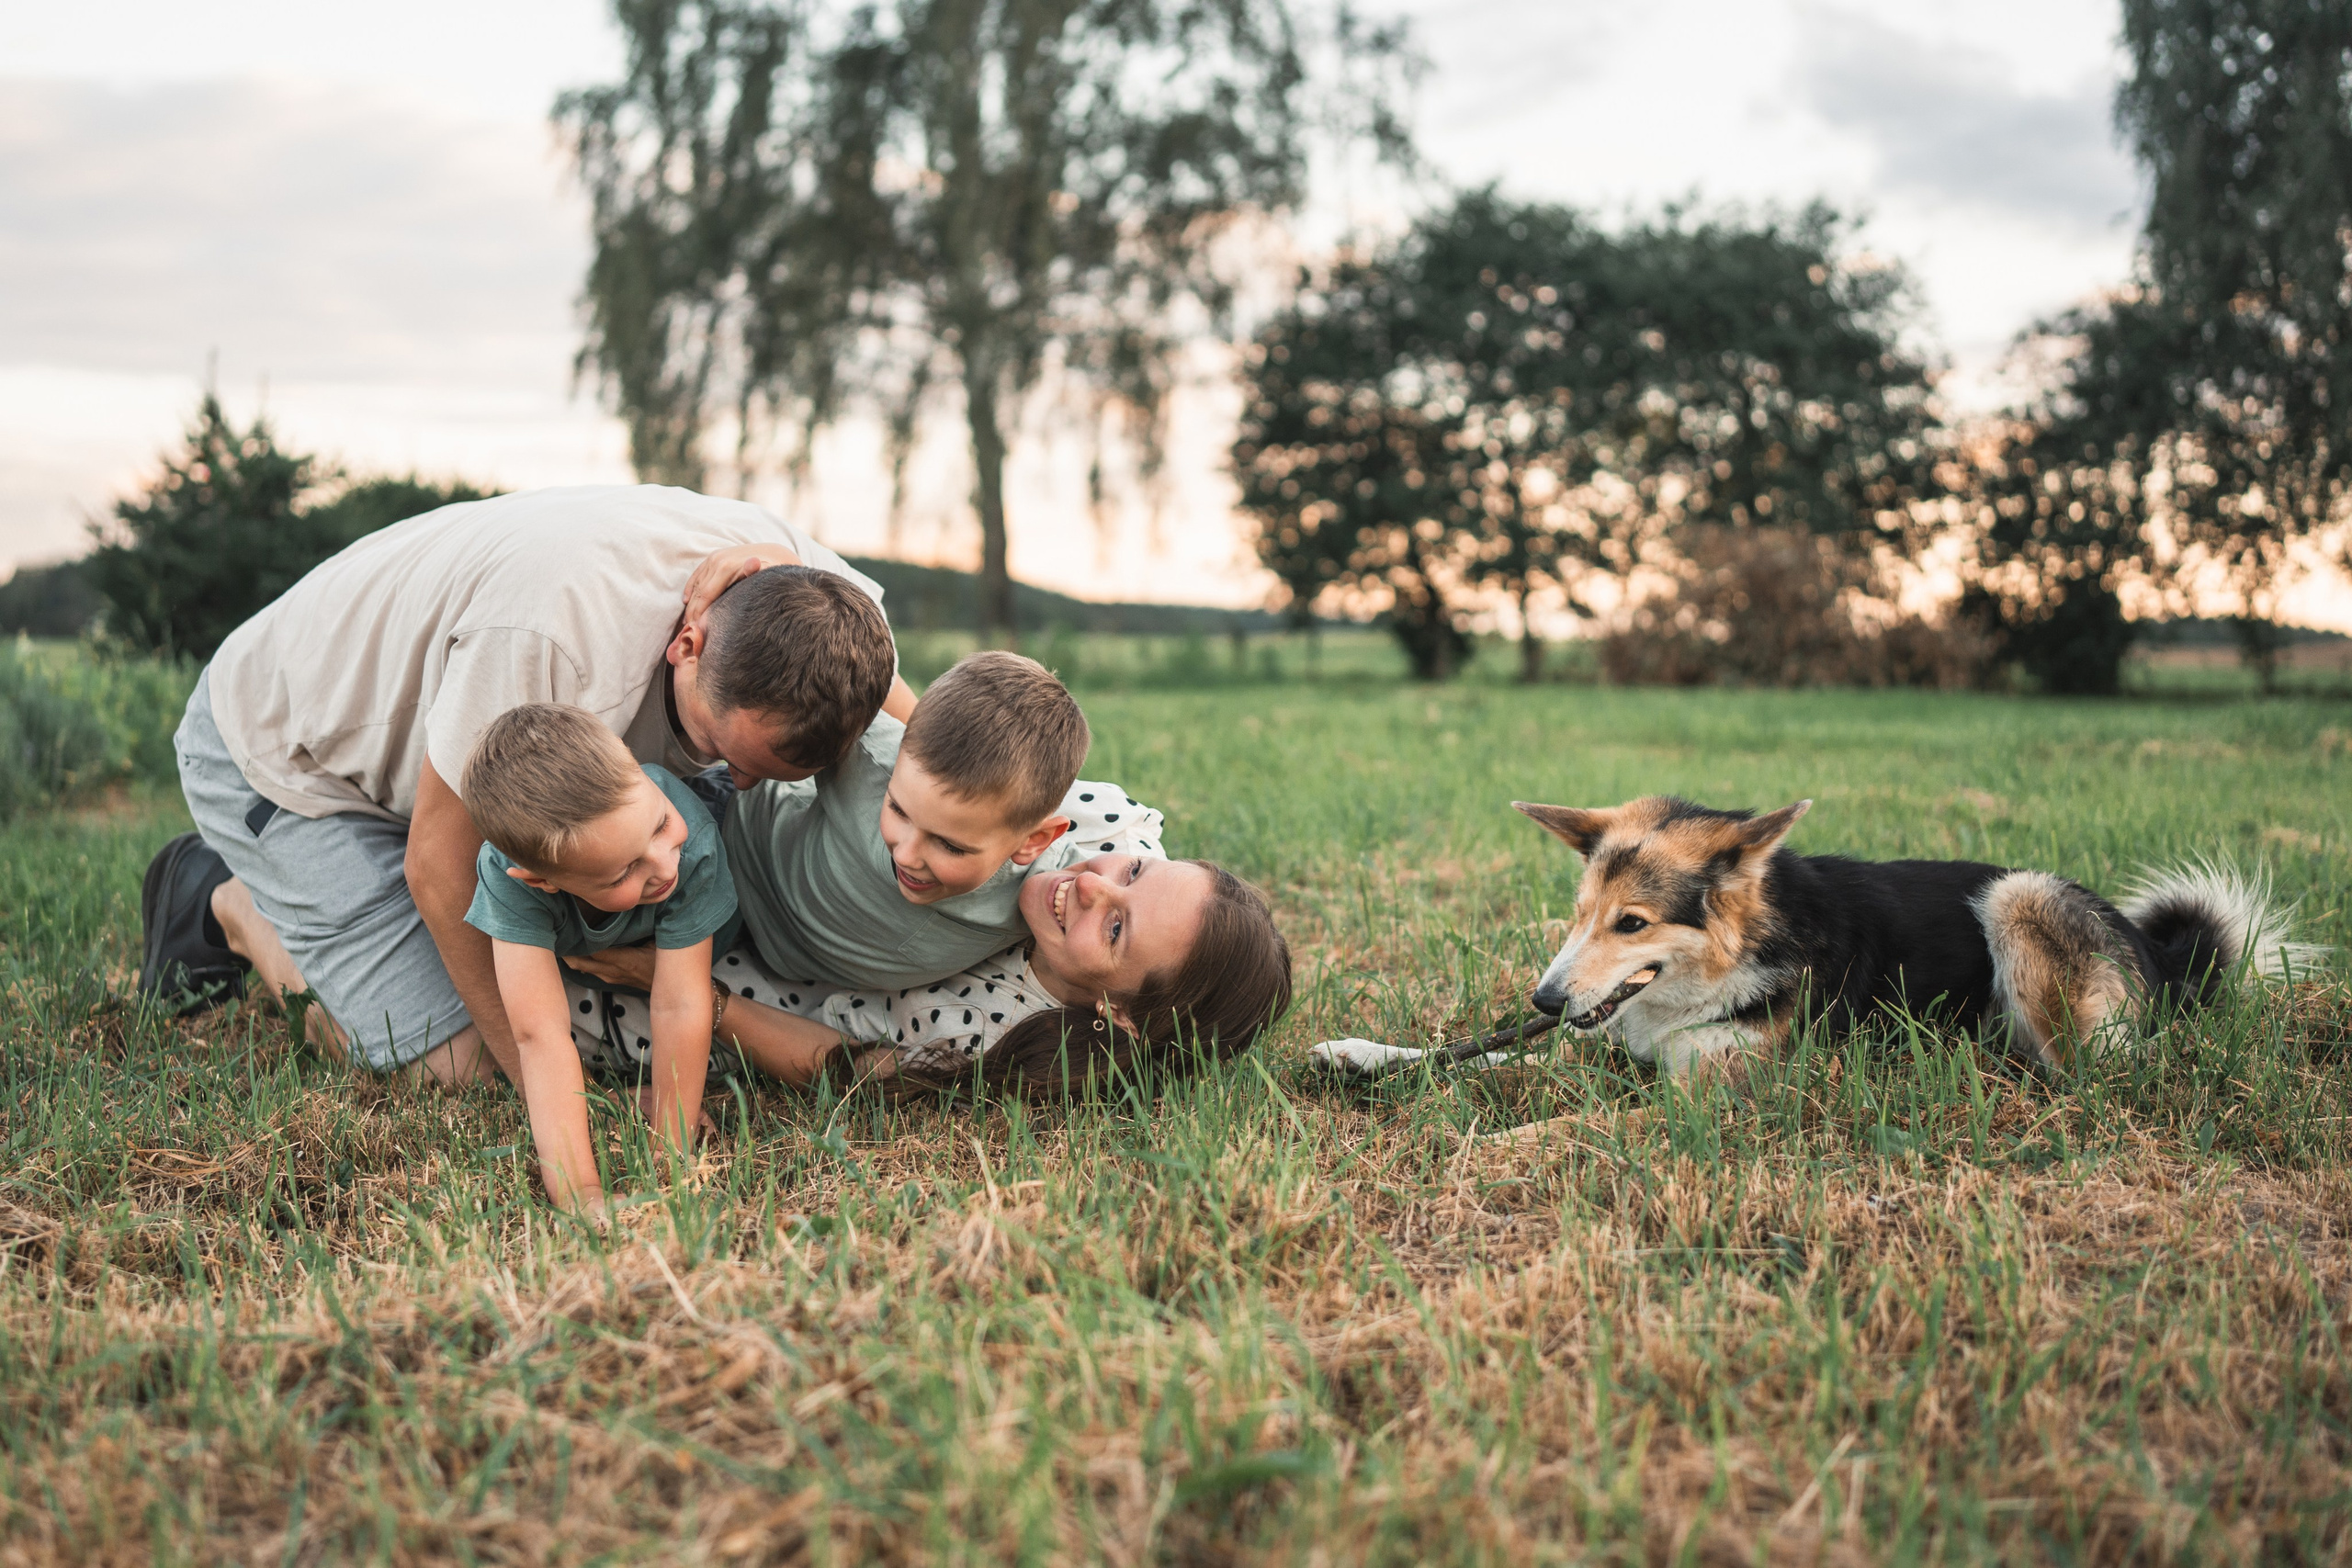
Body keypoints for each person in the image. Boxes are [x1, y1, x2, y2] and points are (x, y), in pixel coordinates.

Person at [140, 484, 909, 1087]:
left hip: (454, 754)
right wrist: (536, 1078)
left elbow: (934, 752)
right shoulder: (551, 646)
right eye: (720, 750)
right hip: (289, 747)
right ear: (687, 643)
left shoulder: (824, 605)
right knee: (451, 1069)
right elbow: (439, 867)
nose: (738, 784)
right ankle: (224, 900)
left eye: (772, 773)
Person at [568, 652, 1294, 1093]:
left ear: (1119, 1014)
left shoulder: (999, 1029)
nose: (1096, 884)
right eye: (1134, 873)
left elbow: (846, 1062)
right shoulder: (1109, 827)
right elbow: (963, 763)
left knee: (473, 1046)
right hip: (761, 796)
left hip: (741, 946)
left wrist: (688, 992)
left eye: (1114, 926)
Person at [458, 705, 738, 1216]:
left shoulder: (690, 836)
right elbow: (539, 1035)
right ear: (541, 881)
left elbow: (680, 1005)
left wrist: (669, 1155)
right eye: (624, 871)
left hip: (720, 943)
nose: (664, 864)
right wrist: (580, 1195)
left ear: (631, 761)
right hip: (603, 966)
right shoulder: (508, 877)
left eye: (658, 827)